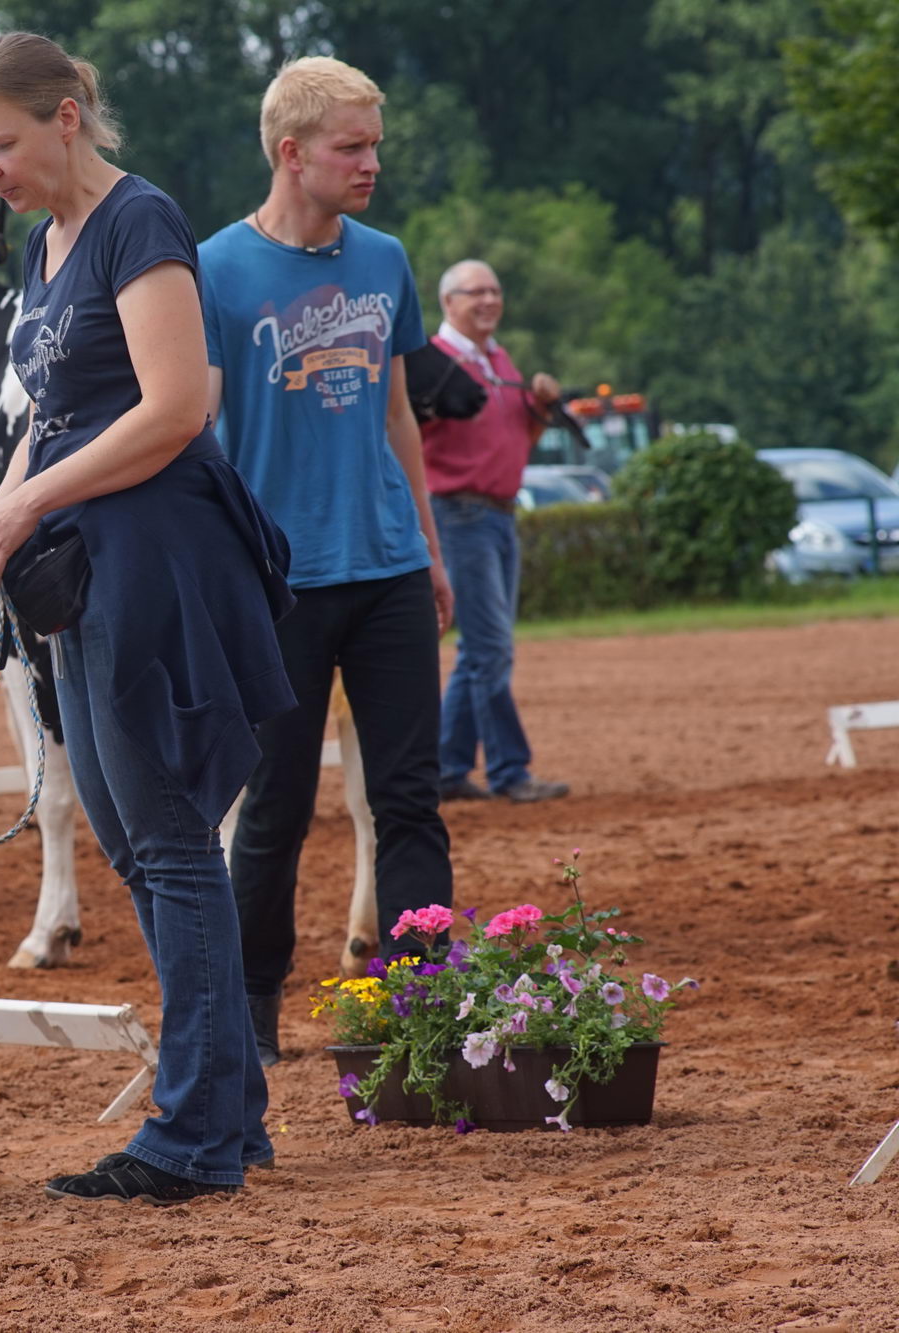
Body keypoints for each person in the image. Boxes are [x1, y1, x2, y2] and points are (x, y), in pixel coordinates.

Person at [0, 32, 295, 1202]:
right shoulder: (44, 253)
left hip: (153, 555)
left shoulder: (137, 220)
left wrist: (28, 502)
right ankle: (226, 1113)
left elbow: (176, 405)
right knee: (134, 842)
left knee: (166, 840)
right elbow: (53, 417)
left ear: (65, 115)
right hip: (80, 559)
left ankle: (192, 1134)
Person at [198, 56, 456, 1066]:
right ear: (289, 152)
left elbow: (397, 409)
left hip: (386, 569)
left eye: (374, 144)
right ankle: (250, 1007)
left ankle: (424, 1008)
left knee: (408, 799)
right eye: (351, 146)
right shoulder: (213, 270)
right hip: (279, 585)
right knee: (274, 807)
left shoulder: (384, 258)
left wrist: (427, 549)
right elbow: (198, 431)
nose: (370, 162)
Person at [422, 260, 570, 805]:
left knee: (480, 652)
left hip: (499, 513)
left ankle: (447, 768)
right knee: (490, 649)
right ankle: (510, 771)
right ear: (448, 302)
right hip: (458, 513)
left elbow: (514, 440)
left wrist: (539, 408)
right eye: (475, 292)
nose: (488, 300)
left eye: (494, 290)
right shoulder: (436, 363)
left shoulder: (497, 359)